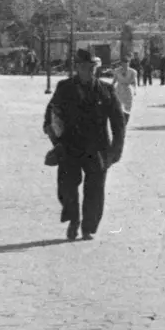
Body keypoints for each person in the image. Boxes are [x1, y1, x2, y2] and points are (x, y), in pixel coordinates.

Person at [43, 50, 126, 242]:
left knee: (95, 189)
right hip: (70, 146)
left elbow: (118, 122)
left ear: (96, 69)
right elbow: (51, 114)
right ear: (77, 68)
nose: (87, 72)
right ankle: (73, 218)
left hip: (97, 149)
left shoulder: (106, 90)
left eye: (91, 68)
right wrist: (55, 140)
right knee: (67, 187)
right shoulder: (64, 88)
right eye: (83, 68)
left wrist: (116, 149)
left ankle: (88, 228)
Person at [112, 57, 138, 126]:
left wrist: (135, 90)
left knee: (128, 106)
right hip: (119, 89)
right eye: (123, 64)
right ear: (121, 64)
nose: (125, 65)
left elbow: (135, 81)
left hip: (128, 89)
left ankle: (125, 122)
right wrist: (111, 88)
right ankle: (119, 121)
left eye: (126, 63)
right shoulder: (117, 71)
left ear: (129, 63)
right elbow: (114, 80)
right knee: (118, 105)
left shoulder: (133, 71)